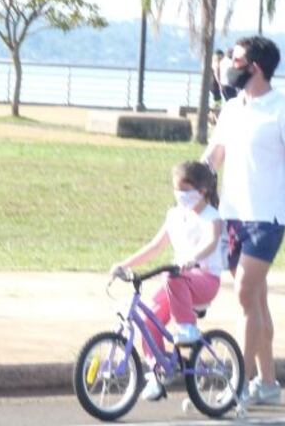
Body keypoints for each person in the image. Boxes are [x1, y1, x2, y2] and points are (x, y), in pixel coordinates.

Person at [201, 35, 285, 408]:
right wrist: (193, 184)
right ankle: (267, 383)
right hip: (231, 216)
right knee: (257, 301)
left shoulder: (284, 111)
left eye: (234, 60)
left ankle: (238, 383)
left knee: (243, 294)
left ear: (254, 67)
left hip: (267, 219)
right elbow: (215, 155)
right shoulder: (232, 109)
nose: (227, 65)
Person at [109, 160, 224, 402]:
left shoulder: (211, 216)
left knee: (172, 276)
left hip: (204, 280)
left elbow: (211, 241)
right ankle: (157, 373)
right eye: (176, 190)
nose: (180, 195)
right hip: (178, 281)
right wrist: (125, 264)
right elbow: (155, 246)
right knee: (148, 320)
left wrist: (193, 258)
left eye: (185, 191)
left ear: (202, 191)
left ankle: (187, 327)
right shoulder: (174, 215)